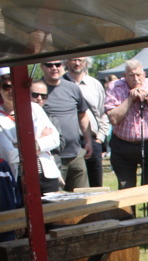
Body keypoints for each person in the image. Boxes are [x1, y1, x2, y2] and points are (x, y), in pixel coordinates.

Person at [104, 59, 148, 214]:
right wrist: (129, 99)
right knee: (126, 192)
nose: (136, 79)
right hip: (123, 147)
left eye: (139, 75)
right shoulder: (115, 87)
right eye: (131, 76)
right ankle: (129, 228)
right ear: (125, 76)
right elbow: (113, 118)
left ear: (144, 74)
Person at [0, 69, 61, 194]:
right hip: (18, 177)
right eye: (6, 87)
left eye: (15, 86)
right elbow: (10, 155)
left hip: (46, 175)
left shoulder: (35, 108)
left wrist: (21, 145)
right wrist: (40, 142)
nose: (11, 90)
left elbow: (55, 139)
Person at [41, 59, 92, 191]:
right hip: (52, 157)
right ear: (42, 66)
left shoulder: (73, 88)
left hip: (76, 154)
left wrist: (88, 141)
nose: (54, 68)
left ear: (63, 66)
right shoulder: (37, 90)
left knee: (83, 198)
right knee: (56, 202)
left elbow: (83, 116)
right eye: (49, 64)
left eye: (57, 64)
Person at [64, 57, 110, 187]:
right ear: (66, 61)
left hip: (93, 139)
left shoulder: (94, 84)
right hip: (70, 141)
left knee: (96, 184)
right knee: (71, 185)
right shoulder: (60, 84)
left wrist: (100, 138)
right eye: (73, 60)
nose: (77, 63)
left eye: (80, 60)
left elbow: (103, 112)